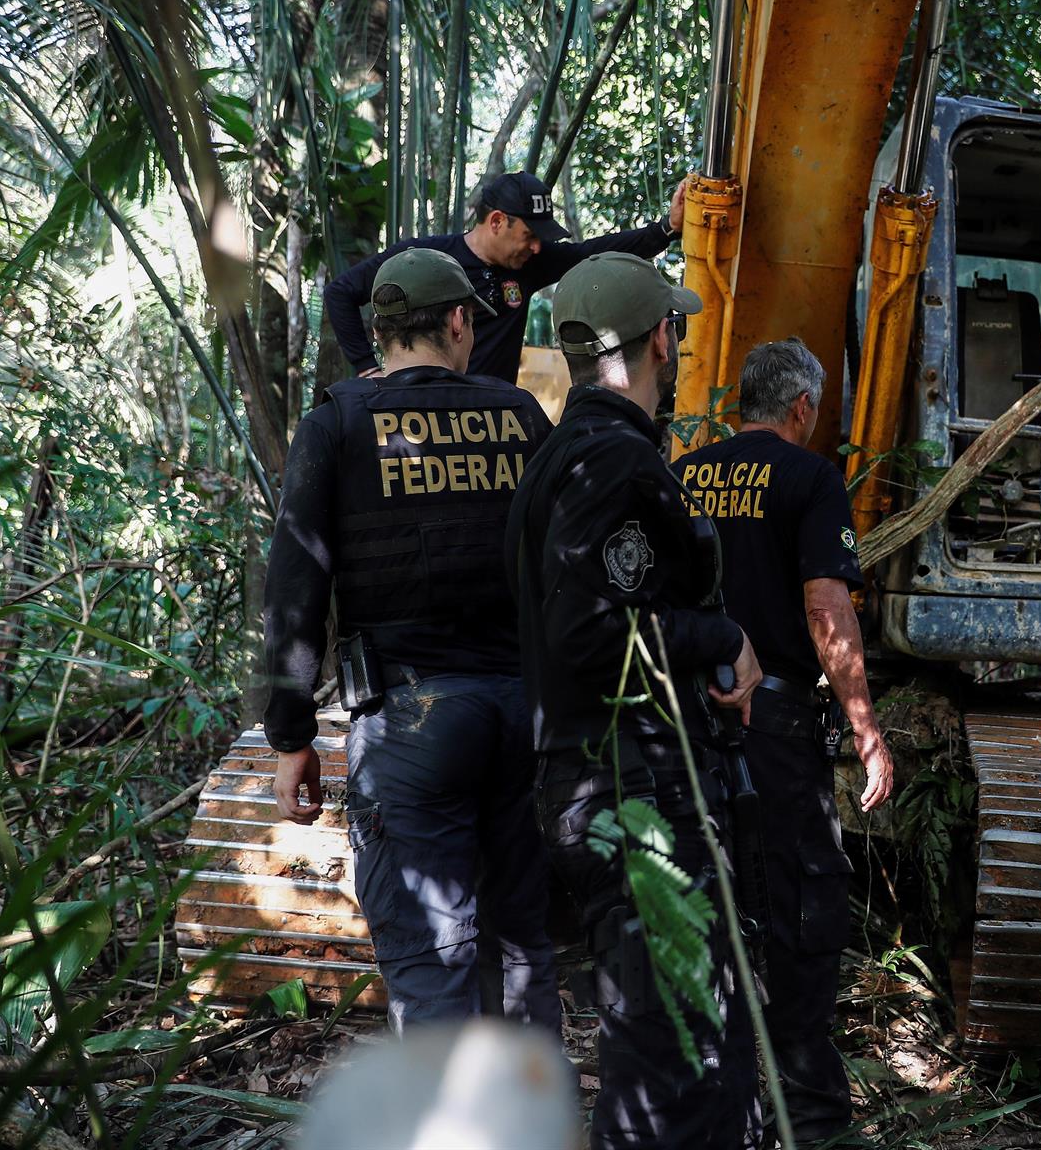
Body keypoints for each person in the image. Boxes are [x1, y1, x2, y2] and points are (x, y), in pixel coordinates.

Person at [265, 248, 557, 1033]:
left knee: (433, 970)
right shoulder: (522, 416)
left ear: (380, 332)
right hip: (519, 720)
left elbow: (296, 587)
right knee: (521, 956)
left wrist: (292, 735)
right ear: (460, 321)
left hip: (409, 722)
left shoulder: (336, 424)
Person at [508, 252, 764, 1149]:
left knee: (676, 1052)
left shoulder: (555, 460)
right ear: (665, 338)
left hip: (604, 788)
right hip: (634, 794)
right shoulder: (612, 467)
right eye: (678, 328)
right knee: (674, 1075)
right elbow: (589, 637)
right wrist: (718, 639)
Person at [670, 338, 896, 1146]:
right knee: (802, 911)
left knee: (710, 906)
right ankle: (809, 1120)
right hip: (773, 725)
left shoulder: (686, 472)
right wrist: (866, 727)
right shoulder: (809, 478)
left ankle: (722, 1109)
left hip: (685, 728)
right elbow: (826, 608)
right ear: (801, 408)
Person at [324, 172, 687, 383]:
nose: (536, 247)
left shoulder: (529, 264)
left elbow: (593, 251)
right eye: (529, 235)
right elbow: (341, 292)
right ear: (497, 221)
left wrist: (667, 228)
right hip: (423, 420)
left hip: (491, 419)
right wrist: (367, 368)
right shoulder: (426, 259)